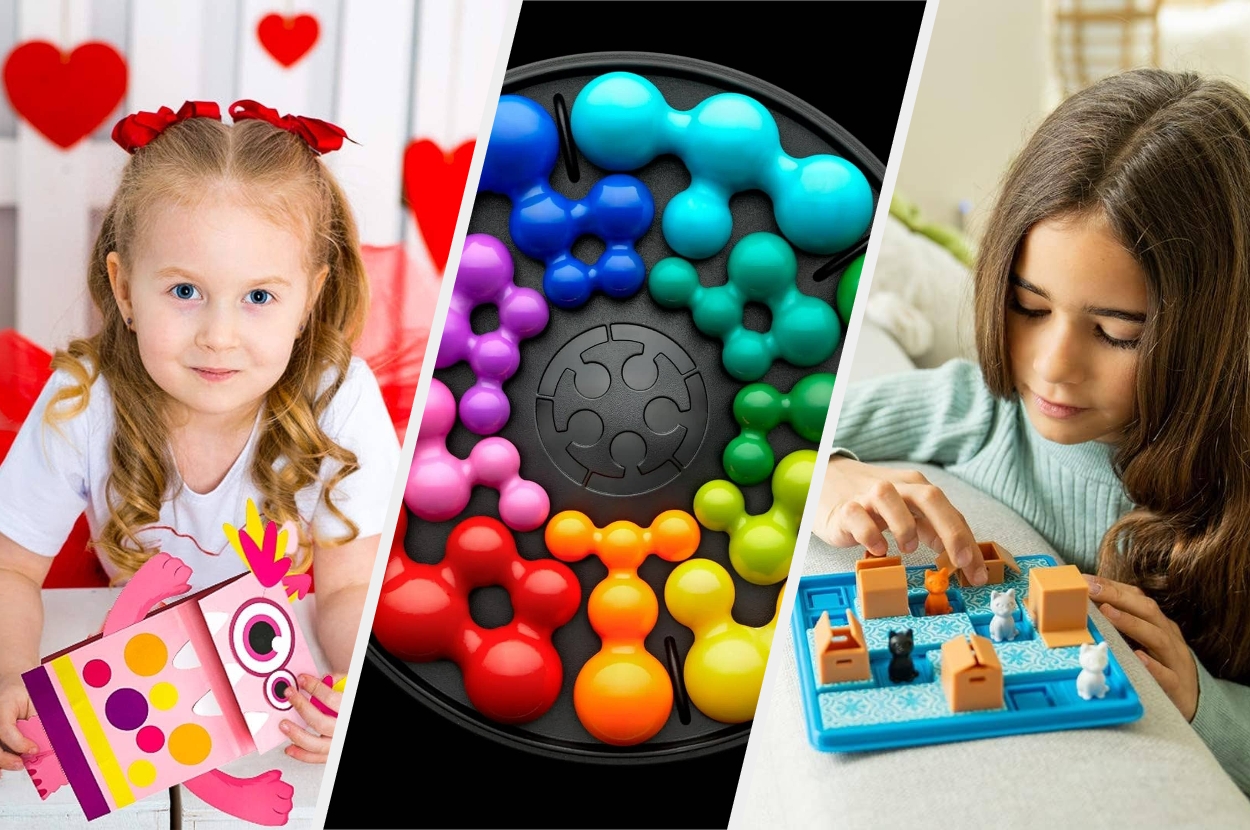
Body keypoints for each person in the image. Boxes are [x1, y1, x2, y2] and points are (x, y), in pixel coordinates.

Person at [815, 69, 1250, 791]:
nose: (1051, 368)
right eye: (1029, 306)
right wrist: (832, 471)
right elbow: (795, 434)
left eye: (1116, 333)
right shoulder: (976, 407)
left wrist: (1208, 708)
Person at [0, 100, 399, 776]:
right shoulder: (84, 400)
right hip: (134, 652)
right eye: (185, 290)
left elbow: (346, 587)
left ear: (309, 298)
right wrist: (9, 671)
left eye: (260, 298)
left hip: (277, 657)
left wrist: (354, 682)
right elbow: (11, 568)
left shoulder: (338, 398)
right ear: (124, 289)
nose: (219, 335)